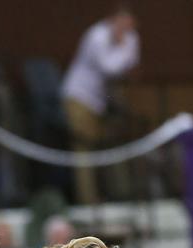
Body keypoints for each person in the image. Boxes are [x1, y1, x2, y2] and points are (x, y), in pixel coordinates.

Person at [61, 7, 139, 205]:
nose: (125, 31)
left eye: (129, 27)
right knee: (83, 147)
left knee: (110, 146)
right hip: (79, 97)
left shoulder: (129, 38)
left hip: (102, 102)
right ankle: (88, 200)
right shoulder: (96, 35)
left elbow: (133, 63)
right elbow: (109, 67)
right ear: (112, 20)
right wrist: (124, 48)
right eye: (122, 26)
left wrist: (125, 45)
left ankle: (120, 193)